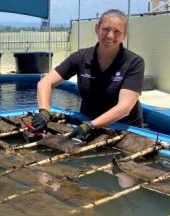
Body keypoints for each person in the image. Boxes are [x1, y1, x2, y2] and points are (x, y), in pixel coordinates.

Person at [32, 9, 145, 140]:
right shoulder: (81, 57)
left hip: (123, 127)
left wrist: (90, 126)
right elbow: (45, 82)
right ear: (97, 28)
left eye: (117, 31)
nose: (110, 36)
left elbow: (124, 108)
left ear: (124, 35)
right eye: (105, 29)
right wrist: (44, 111)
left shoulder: (134, 62)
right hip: (88, 121)